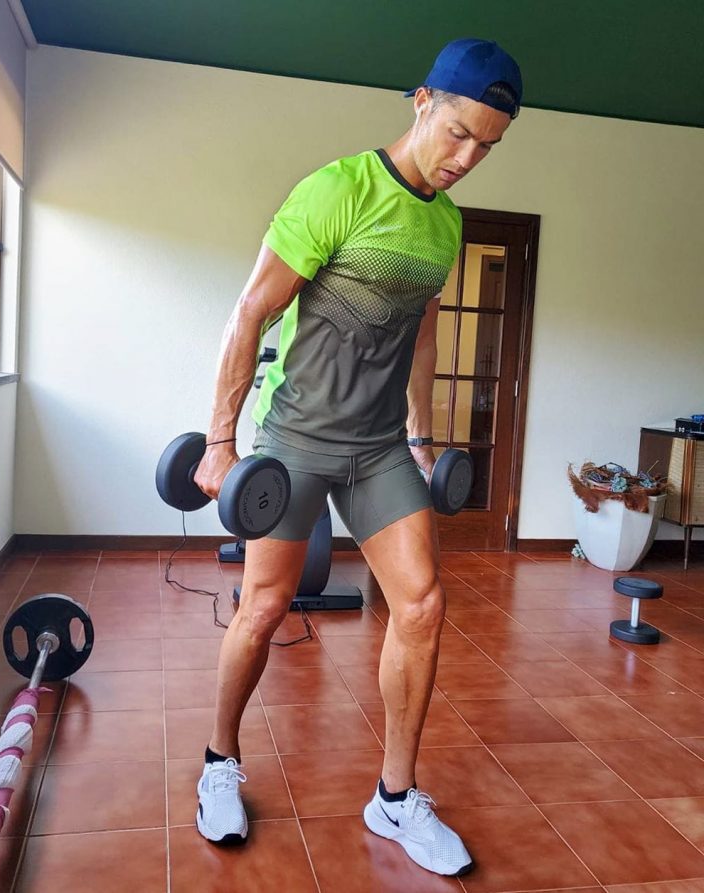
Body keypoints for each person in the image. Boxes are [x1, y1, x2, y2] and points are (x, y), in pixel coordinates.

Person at [193, 37, 522, 878]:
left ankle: (395, 797)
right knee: (264, 607)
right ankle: (220, 762)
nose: (466, 158)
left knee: (422, 604)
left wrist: (419, 433)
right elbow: (251, 312)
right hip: (296, 437)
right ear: (423, 102)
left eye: (487, 146)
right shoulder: (337, 189)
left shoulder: (445, 224)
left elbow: (421, 336)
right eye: (459, 133)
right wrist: (223, 439)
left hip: (378, 448)